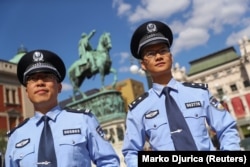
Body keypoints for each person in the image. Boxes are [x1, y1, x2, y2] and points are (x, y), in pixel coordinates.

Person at [122, 20, 241, 166]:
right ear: (143, 64)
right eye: (151, 54)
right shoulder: (138, 109)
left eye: (163, 50)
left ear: (171, 57)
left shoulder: (199, 93)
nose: (158, 56)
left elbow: (227, 128)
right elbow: (131, 151)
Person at [4, 49, 120, 167]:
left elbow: (108, 162)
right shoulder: (16, 135)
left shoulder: (83, 120)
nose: (40, 82)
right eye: (33, 78)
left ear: (59, 87)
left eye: (46, 76)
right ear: (27, 91)